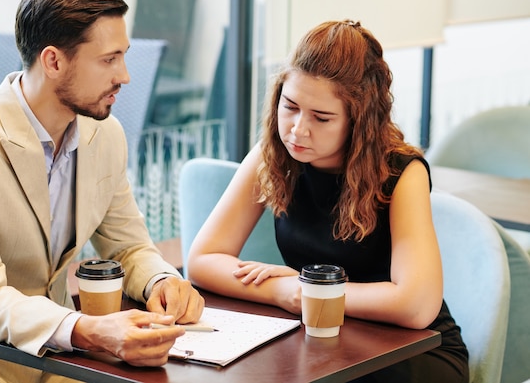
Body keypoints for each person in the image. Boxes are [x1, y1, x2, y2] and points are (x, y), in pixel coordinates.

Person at [0, 0, 204, 383]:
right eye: (108, 59)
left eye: (124, 56)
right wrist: (88, 329)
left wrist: (162, 280)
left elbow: (129, 246)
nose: (125, 76)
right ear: (53, 61)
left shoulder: (105, 134)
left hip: (55, 354)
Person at [187, 20, 469, 383]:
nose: (297, 129)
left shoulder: (401, 172)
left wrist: (311, 293)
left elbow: (415, 306)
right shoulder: (272, 153)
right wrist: (285, 291)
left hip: (413, 350)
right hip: (327, 340)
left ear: (359, 120)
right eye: (289, 106)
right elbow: (202, 260)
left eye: (322, 117)